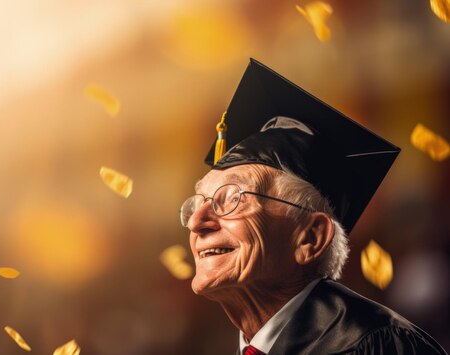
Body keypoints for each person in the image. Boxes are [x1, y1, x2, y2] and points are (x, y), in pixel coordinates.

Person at [180, 59, 447, 354]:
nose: (196, 222)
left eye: (231, 198)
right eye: (198, 202)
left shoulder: (380, 346)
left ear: (310, 237)